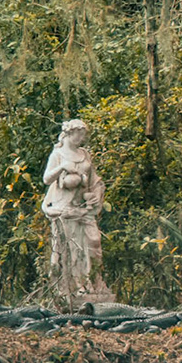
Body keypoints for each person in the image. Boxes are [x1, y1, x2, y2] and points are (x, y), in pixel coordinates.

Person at [42, 119, 111, 305]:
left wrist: (96, 193)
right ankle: (77, 287)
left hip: (84, 208)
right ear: (70, 134)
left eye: (83, 136)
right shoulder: (58, 154)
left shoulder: (84, 154)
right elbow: (47, 179)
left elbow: (94, 179)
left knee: (94, 242)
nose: (82, 139)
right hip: (65, 208)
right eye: (79, 135)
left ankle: (94, 283)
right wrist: (63, 167)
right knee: (73, 248)